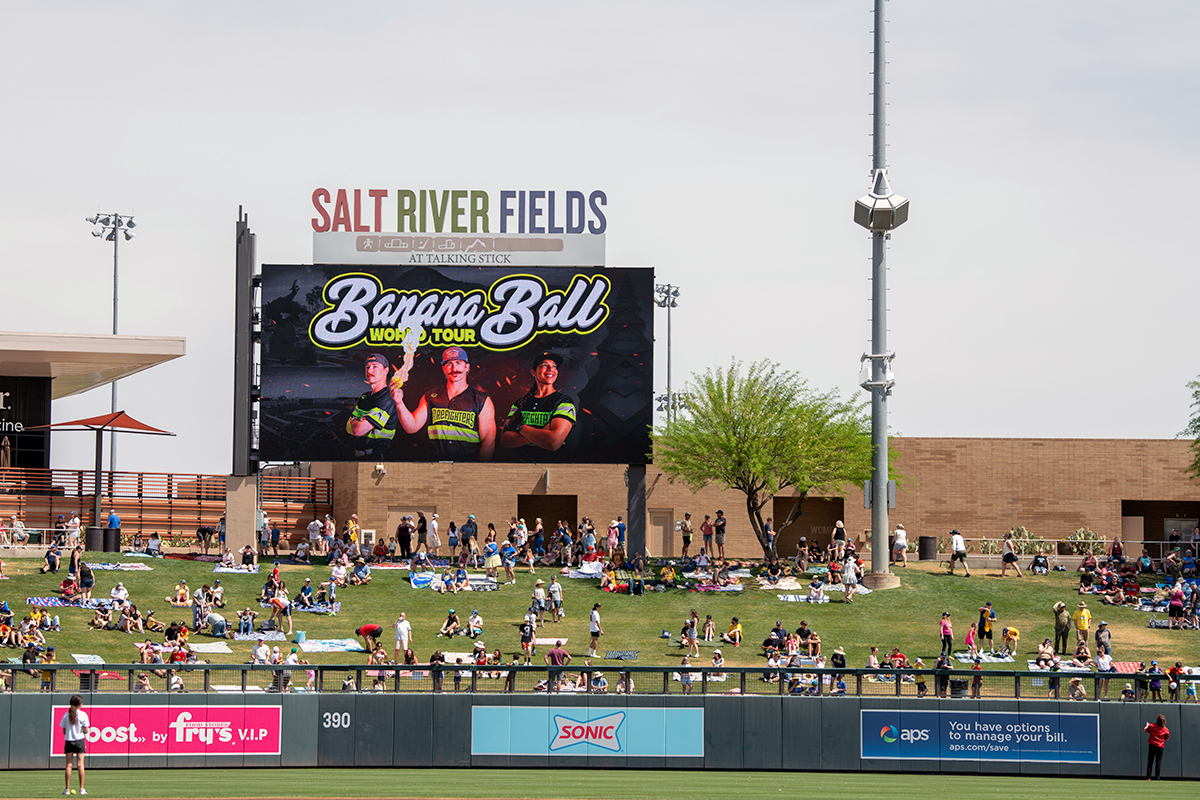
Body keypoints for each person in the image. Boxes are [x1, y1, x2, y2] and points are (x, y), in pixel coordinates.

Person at [392, 346, 496, 461]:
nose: (454, 368)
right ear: (444, 368)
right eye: (449, 364)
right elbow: (411, 427)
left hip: (466, 467)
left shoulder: (482, 400)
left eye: (458, 363)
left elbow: (488, 441)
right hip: (435, 466)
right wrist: (399, 402)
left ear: (467, 367)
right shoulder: (430, 396)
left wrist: (477, 471)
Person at [500, 352, 577, 460]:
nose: (551, 369)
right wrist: (542, 433)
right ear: (533, 372)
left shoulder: (564, 402)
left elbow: (553, 442)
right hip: (520, 467)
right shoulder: (519, 403)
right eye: (545, 365)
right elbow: (505, 441)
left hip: (552, 467)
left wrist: (520, 428)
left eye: (554, 366)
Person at [345, 353, 399, 456]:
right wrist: (357, 423)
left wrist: (355, 420)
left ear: (386, 371)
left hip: (377, 458)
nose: (369, 371)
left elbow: (357, 430)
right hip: (359, 457)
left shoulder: (387, 399)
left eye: (375, 367)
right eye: (367, 367)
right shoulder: (365, 397)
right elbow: (348, 428)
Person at [60, 694, 90, 794]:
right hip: (79, 741)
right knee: (80, 765)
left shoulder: (66, 715)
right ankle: (81, 789)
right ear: (80, 704)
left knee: (69, 765)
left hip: (68, 740)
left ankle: (67, 789)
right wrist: (83, 730)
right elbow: (86, 730)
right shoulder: (83, 715)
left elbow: (64, 731)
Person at [1145, 714, 1169, 780]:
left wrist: (1147, 725)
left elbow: (1146, 730)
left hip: (1152, 745)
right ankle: (1157, 777)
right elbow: (1166, 738)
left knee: (1150, 761)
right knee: (1158, 762)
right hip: (1160, 746)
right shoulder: (1166, 730)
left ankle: (1148, 777)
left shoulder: (1152, 726)